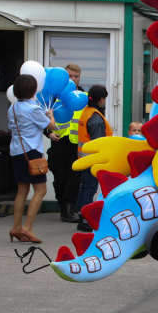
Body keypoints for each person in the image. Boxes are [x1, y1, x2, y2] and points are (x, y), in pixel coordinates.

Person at [8, 74, 59, 243]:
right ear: (31, 90)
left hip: (17, 151)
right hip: (32, 152)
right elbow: (50, 126)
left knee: (22, 190)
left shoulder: (13, 108)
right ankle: (27, 228)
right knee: (41, 190)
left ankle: (16, 228)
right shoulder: (34, 109)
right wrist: (50, 114)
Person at [47, 63, 82, 223]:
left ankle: (68, 207)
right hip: (58, 141)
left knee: (74, 177)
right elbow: (40, 118)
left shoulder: (82, 96)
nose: (73, 79)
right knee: (59, 176)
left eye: (76, 76)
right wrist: (48, 133)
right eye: (70, 76)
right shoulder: (52, 96)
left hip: (76, 142)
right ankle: (63, 205)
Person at [75, 85, 113, 232]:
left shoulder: (86, 112)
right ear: (101, 99)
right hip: (93, 159)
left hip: (84, 158)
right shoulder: (96, 117)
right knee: (89, 189)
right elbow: (98, 142)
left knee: (84, 188)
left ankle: (81, 217)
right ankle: (86, 220)